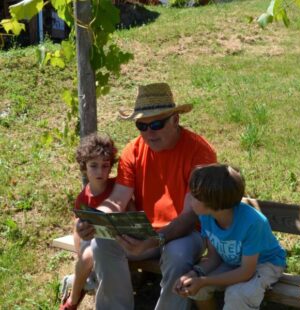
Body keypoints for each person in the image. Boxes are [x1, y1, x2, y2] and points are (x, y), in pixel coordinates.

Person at [76, 82, 217, 310]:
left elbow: (191, 215)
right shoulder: (133, 149)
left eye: (157, 124)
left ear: (175, 120)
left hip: (187, 233)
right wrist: (96, 218)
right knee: (101, 242)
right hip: (144, 232)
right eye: (141, 125)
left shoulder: (199, 152)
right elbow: (118, 200)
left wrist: (157, 239)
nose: (149, 133)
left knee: (178, 254)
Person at [173, 164, 286, 310]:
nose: (188, 199)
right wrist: (193, 274)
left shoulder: (253, 223)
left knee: (237, 294)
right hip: (235, 261)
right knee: (197, 288)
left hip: (265, 264)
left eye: (194, 196)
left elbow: (246, 272)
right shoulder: (206, 216)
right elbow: (214, 257)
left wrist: (204, 281)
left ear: (212, 202)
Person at [60, 133, 118, 310]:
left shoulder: (117, 188)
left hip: (115, 242)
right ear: (84, 167)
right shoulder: (83, 197)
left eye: (105, 166)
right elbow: (77, 227)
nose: (100, 172)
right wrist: (80, 251)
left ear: (110, 167)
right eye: (94, 166)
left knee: (91, 254)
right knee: (87, 255)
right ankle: (77, 292)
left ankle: (76, 294)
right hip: (91, 242)